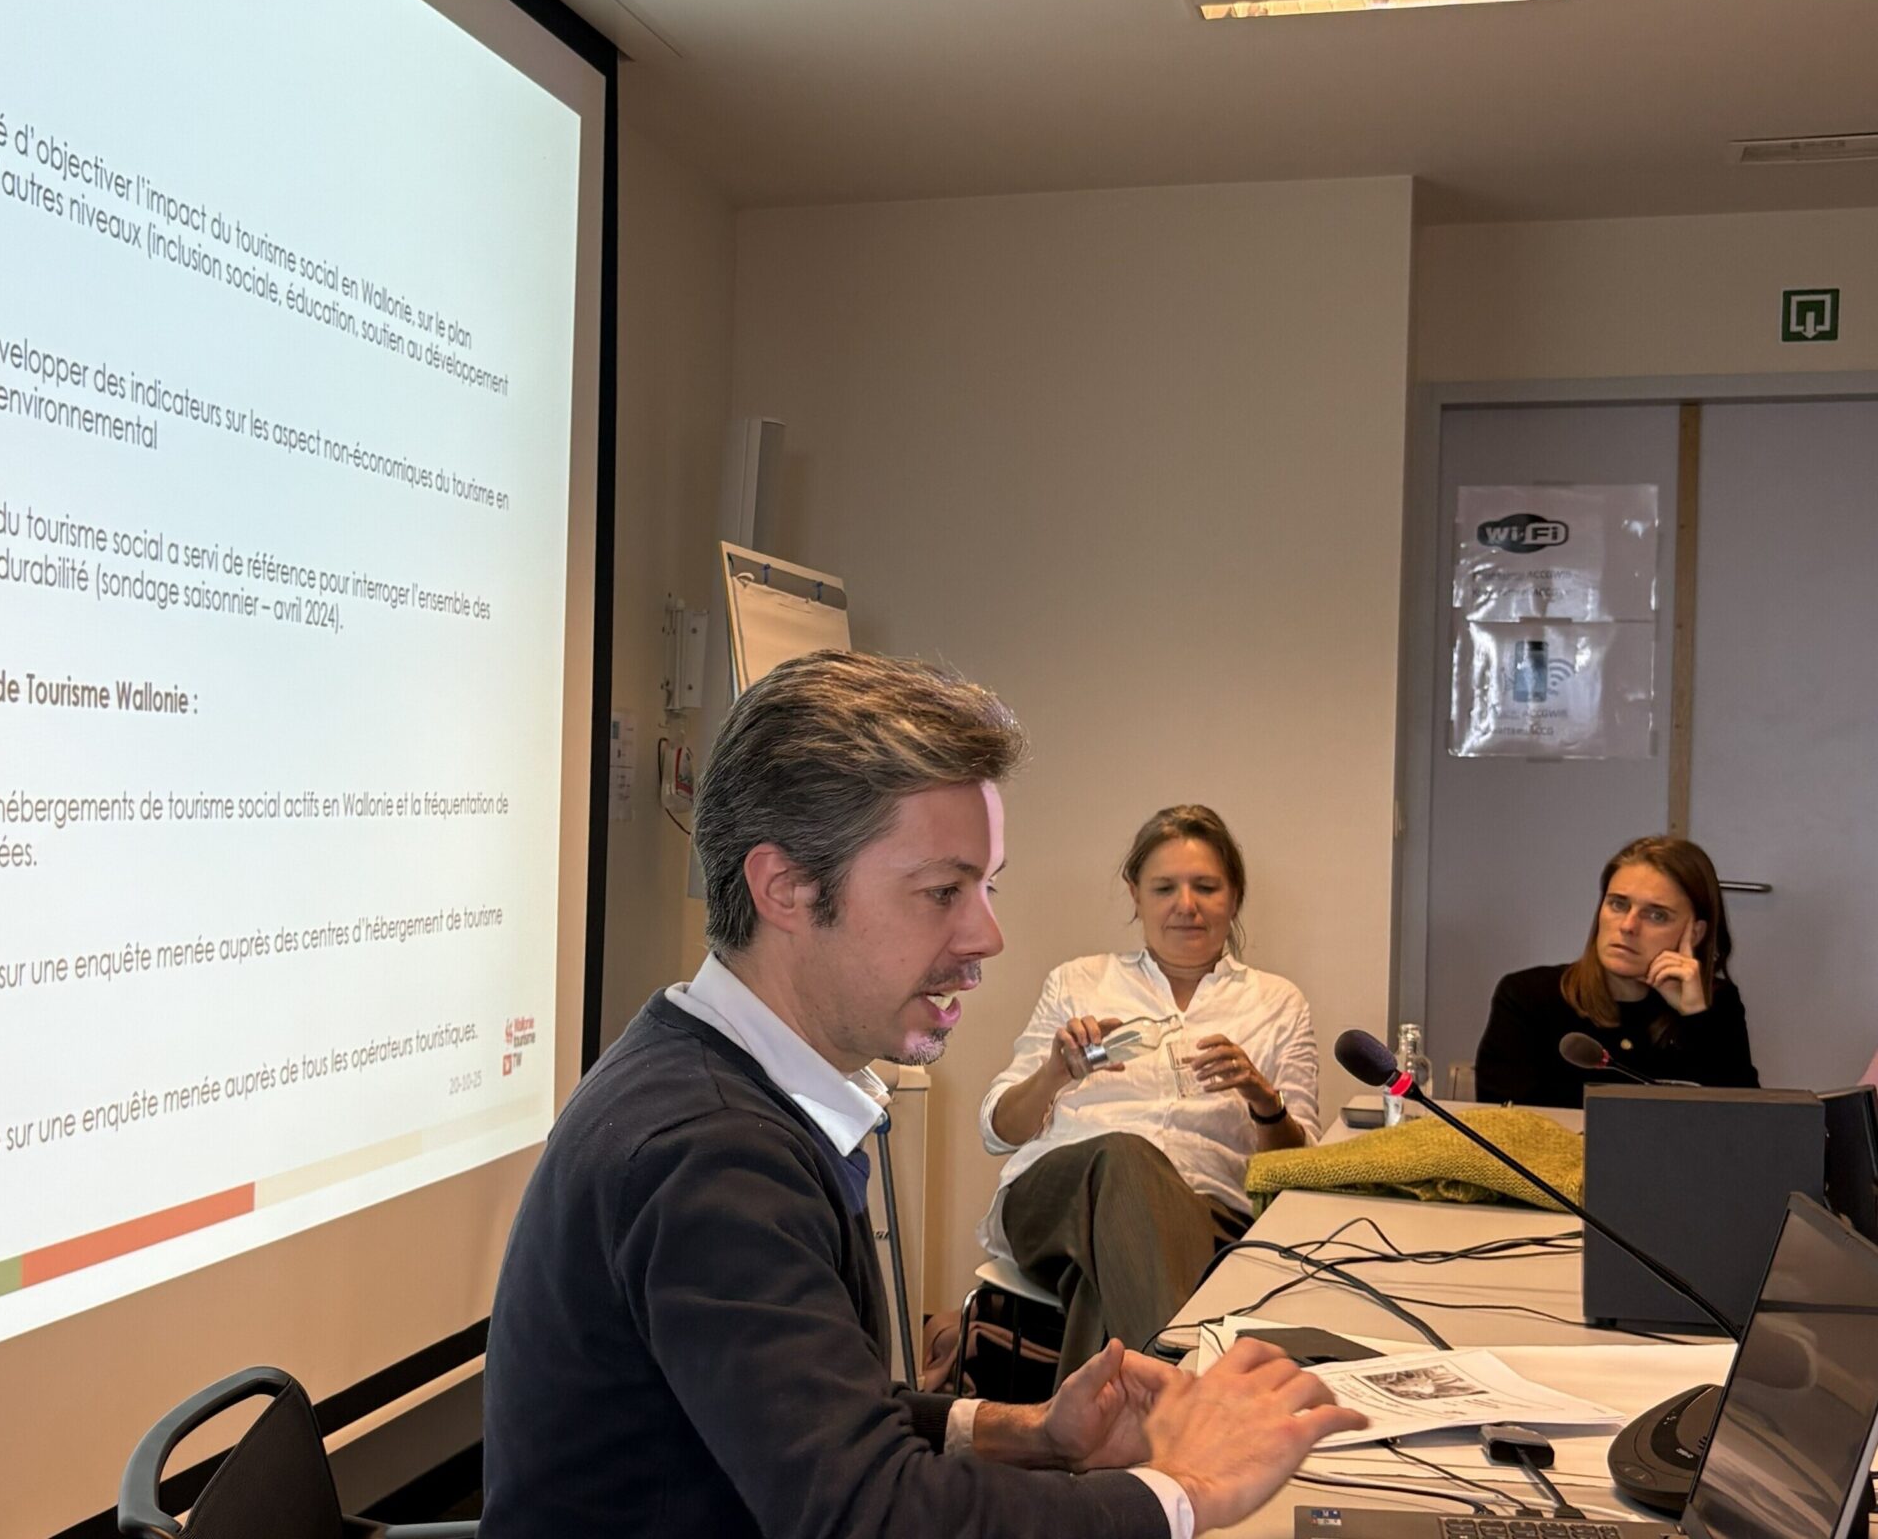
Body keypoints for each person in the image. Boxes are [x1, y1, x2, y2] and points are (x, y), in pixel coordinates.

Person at [480, 652, 1362, 1539]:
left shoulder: (711, 1078)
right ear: (785, 888)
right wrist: (1188, 1488)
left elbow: (810, 1416)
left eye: (987, 886)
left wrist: (1032, 1432)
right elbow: (872, 1515)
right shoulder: (710, 1154)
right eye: (943, 891)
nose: (987, 936)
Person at [976, 806, 1320, 1371]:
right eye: (1164, 888)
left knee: (1103, 1274)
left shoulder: (1277, 1003)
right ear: (1135, 894)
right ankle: (1174, 1388)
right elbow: (999, 1131)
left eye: (1206, 887)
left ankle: (1120, 1416)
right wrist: (1057, 1071)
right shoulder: (1078, 981)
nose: (1186, 905)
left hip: (1210, 1219)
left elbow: (1297, 1174)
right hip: (1055, 1203)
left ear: (1234, 896)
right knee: (1126, 1156)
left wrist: (1262, 1099)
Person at [1473, 834, 1758, 1109]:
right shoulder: (1528, 996)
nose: (1628, 926)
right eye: (1618, 904)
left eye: (1656, 915)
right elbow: (1502, 1124)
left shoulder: (1717, 1006)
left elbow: (1745, 1124)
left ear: (1694, 933)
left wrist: (1696, 1017)